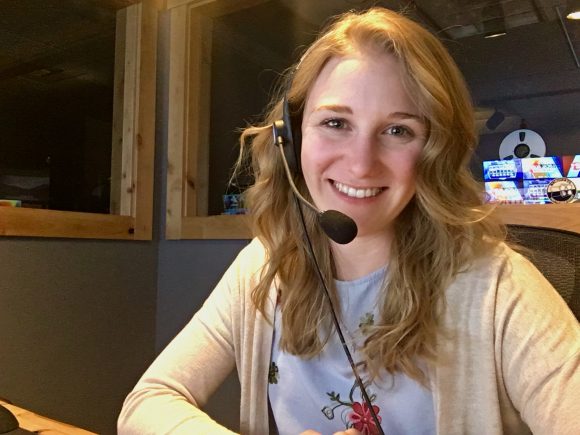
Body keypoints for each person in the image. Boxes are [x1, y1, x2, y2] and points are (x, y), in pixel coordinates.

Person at [118, 7, 580, 435]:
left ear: (435, 150)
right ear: (290, 139)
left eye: (398, 130)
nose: (361, 164)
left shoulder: (499, 289)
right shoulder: (265, 265)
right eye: (336, 123)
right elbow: (148, 401)